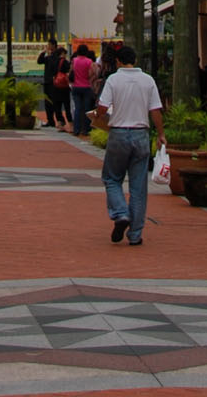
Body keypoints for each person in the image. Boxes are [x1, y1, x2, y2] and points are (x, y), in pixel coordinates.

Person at [95, 43, 165, 245]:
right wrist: (161, 134)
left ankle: (120, 213)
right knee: (138, 187)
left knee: (111, 178)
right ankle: (135, 234)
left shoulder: (113, 80)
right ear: (134, 60)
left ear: (118, 61)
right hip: (141, 134)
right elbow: (155, 111)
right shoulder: (148, 80)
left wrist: (97, 116)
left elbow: (102, 106)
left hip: (118, 133)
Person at [69, 42, 97, 137]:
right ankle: (86, 129)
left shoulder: (74, 60)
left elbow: (71, 72)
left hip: (76, 86)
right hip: (86, 86)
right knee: (86, 109)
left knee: (77, 108)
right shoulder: (89, 61)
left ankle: (76, 129)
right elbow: (92, 73)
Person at [41, 38, 61, 127]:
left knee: (54, 102)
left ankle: (59, 121)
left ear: (53, 45)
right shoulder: (48, 56)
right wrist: (43, 52)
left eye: (49, 45)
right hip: (47, 81)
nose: (48, 46)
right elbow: (39, 61)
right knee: (47, 101)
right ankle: (50, 120)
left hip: (54, 82)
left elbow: (55, 65)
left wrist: (49, 56)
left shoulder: (56, 55)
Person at [52, 48, 73, 132]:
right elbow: (69, 72)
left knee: (57, 106)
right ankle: (71, 125)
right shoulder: (65, 62)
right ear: (62, 53)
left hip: (56, 85)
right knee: (67, 106)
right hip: (64, 86)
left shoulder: (54, 62)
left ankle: (60, 124)